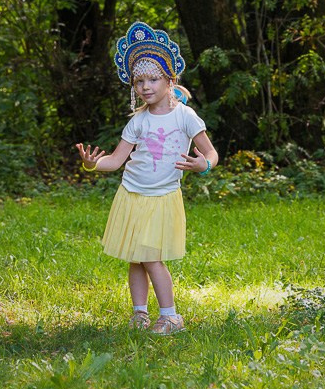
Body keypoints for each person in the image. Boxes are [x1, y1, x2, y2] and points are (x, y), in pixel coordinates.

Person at [76, 20, 218, 335]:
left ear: (170, 80)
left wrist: (202, 165)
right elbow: (114, 161)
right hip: (132, 195)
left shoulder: (185, 116)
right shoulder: (138, 121)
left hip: (163, 197)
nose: (145, 87)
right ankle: (140, 313)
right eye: (139, 81)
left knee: (152, 259)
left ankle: (171, 317)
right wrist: (91, 165)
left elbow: (211, 153)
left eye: (153, 79)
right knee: (136, 259)